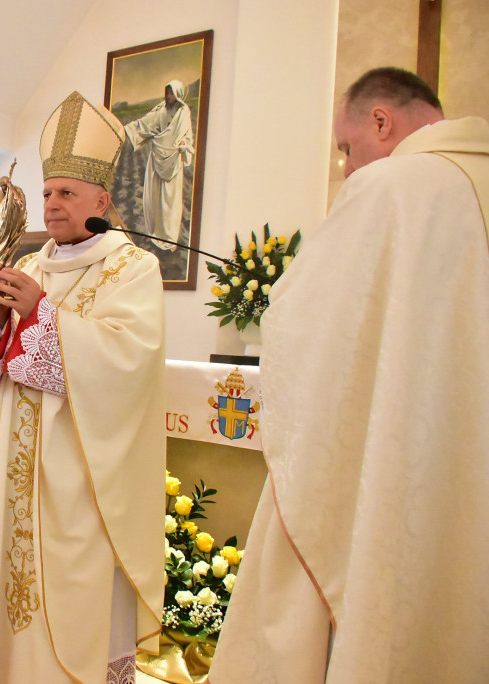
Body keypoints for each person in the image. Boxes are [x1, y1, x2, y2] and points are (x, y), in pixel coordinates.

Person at [210, 67, 489, 683]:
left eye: (346, 147)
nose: (347, 167)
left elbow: (305, 328)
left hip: (404, 464)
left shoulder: (393, 186)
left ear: (381, 121)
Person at [0, 91, 166, 683]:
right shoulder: (29, 266)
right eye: (48, 192)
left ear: (102, 201)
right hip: (14, 480)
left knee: (72, 604)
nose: (52, 204)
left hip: (81, 481)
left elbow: (130, 364)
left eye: (67, 193)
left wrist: (44, 317)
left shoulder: (132, 268)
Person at [124, 80, 195, 250]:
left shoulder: (183, 112)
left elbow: (186, 135)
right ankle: (155, 233)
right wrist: (128, 128)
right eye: (167, 92)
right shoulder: (161, 109)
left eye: (171, 93)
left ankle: (169, 237)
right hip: (156, 157)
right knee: (153, 197)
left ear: (177, 94)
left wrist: (184, 144)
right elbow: (146, 123)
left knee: (169, 200)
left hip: (173, 161)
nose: (168, 96)